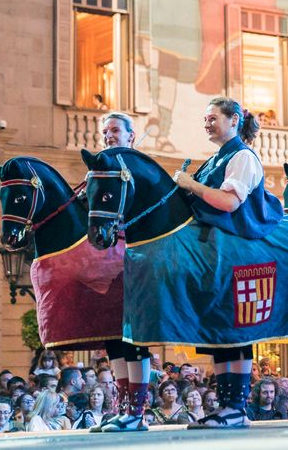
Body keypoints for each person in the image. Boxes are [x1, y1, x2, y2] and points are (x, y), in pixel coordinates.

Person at [172, 97, 285, 428]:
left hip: (238, 246)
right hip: (215, 245)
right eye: (205, 118)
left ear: (234, 119)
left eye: (213, 117)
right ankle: (227, 407)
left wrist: (190, 183)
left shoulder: (243, 158)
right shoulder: (216, 158)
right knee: (221, 328)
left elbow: (229, 202)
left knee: (235, 326)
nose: (206, 123)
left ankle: (236, 408)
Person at [97, 111, 155, 432]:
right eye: (105, 131)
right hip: (108, 260)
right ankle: (123, 408)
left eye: (115, 130)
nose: (109, 135)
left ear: (131, 136)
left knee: (135, 336)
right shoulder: (101, 168)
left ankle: (136, 412)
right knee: (112, 337)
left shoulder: (140, 168)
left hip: (137, 255)